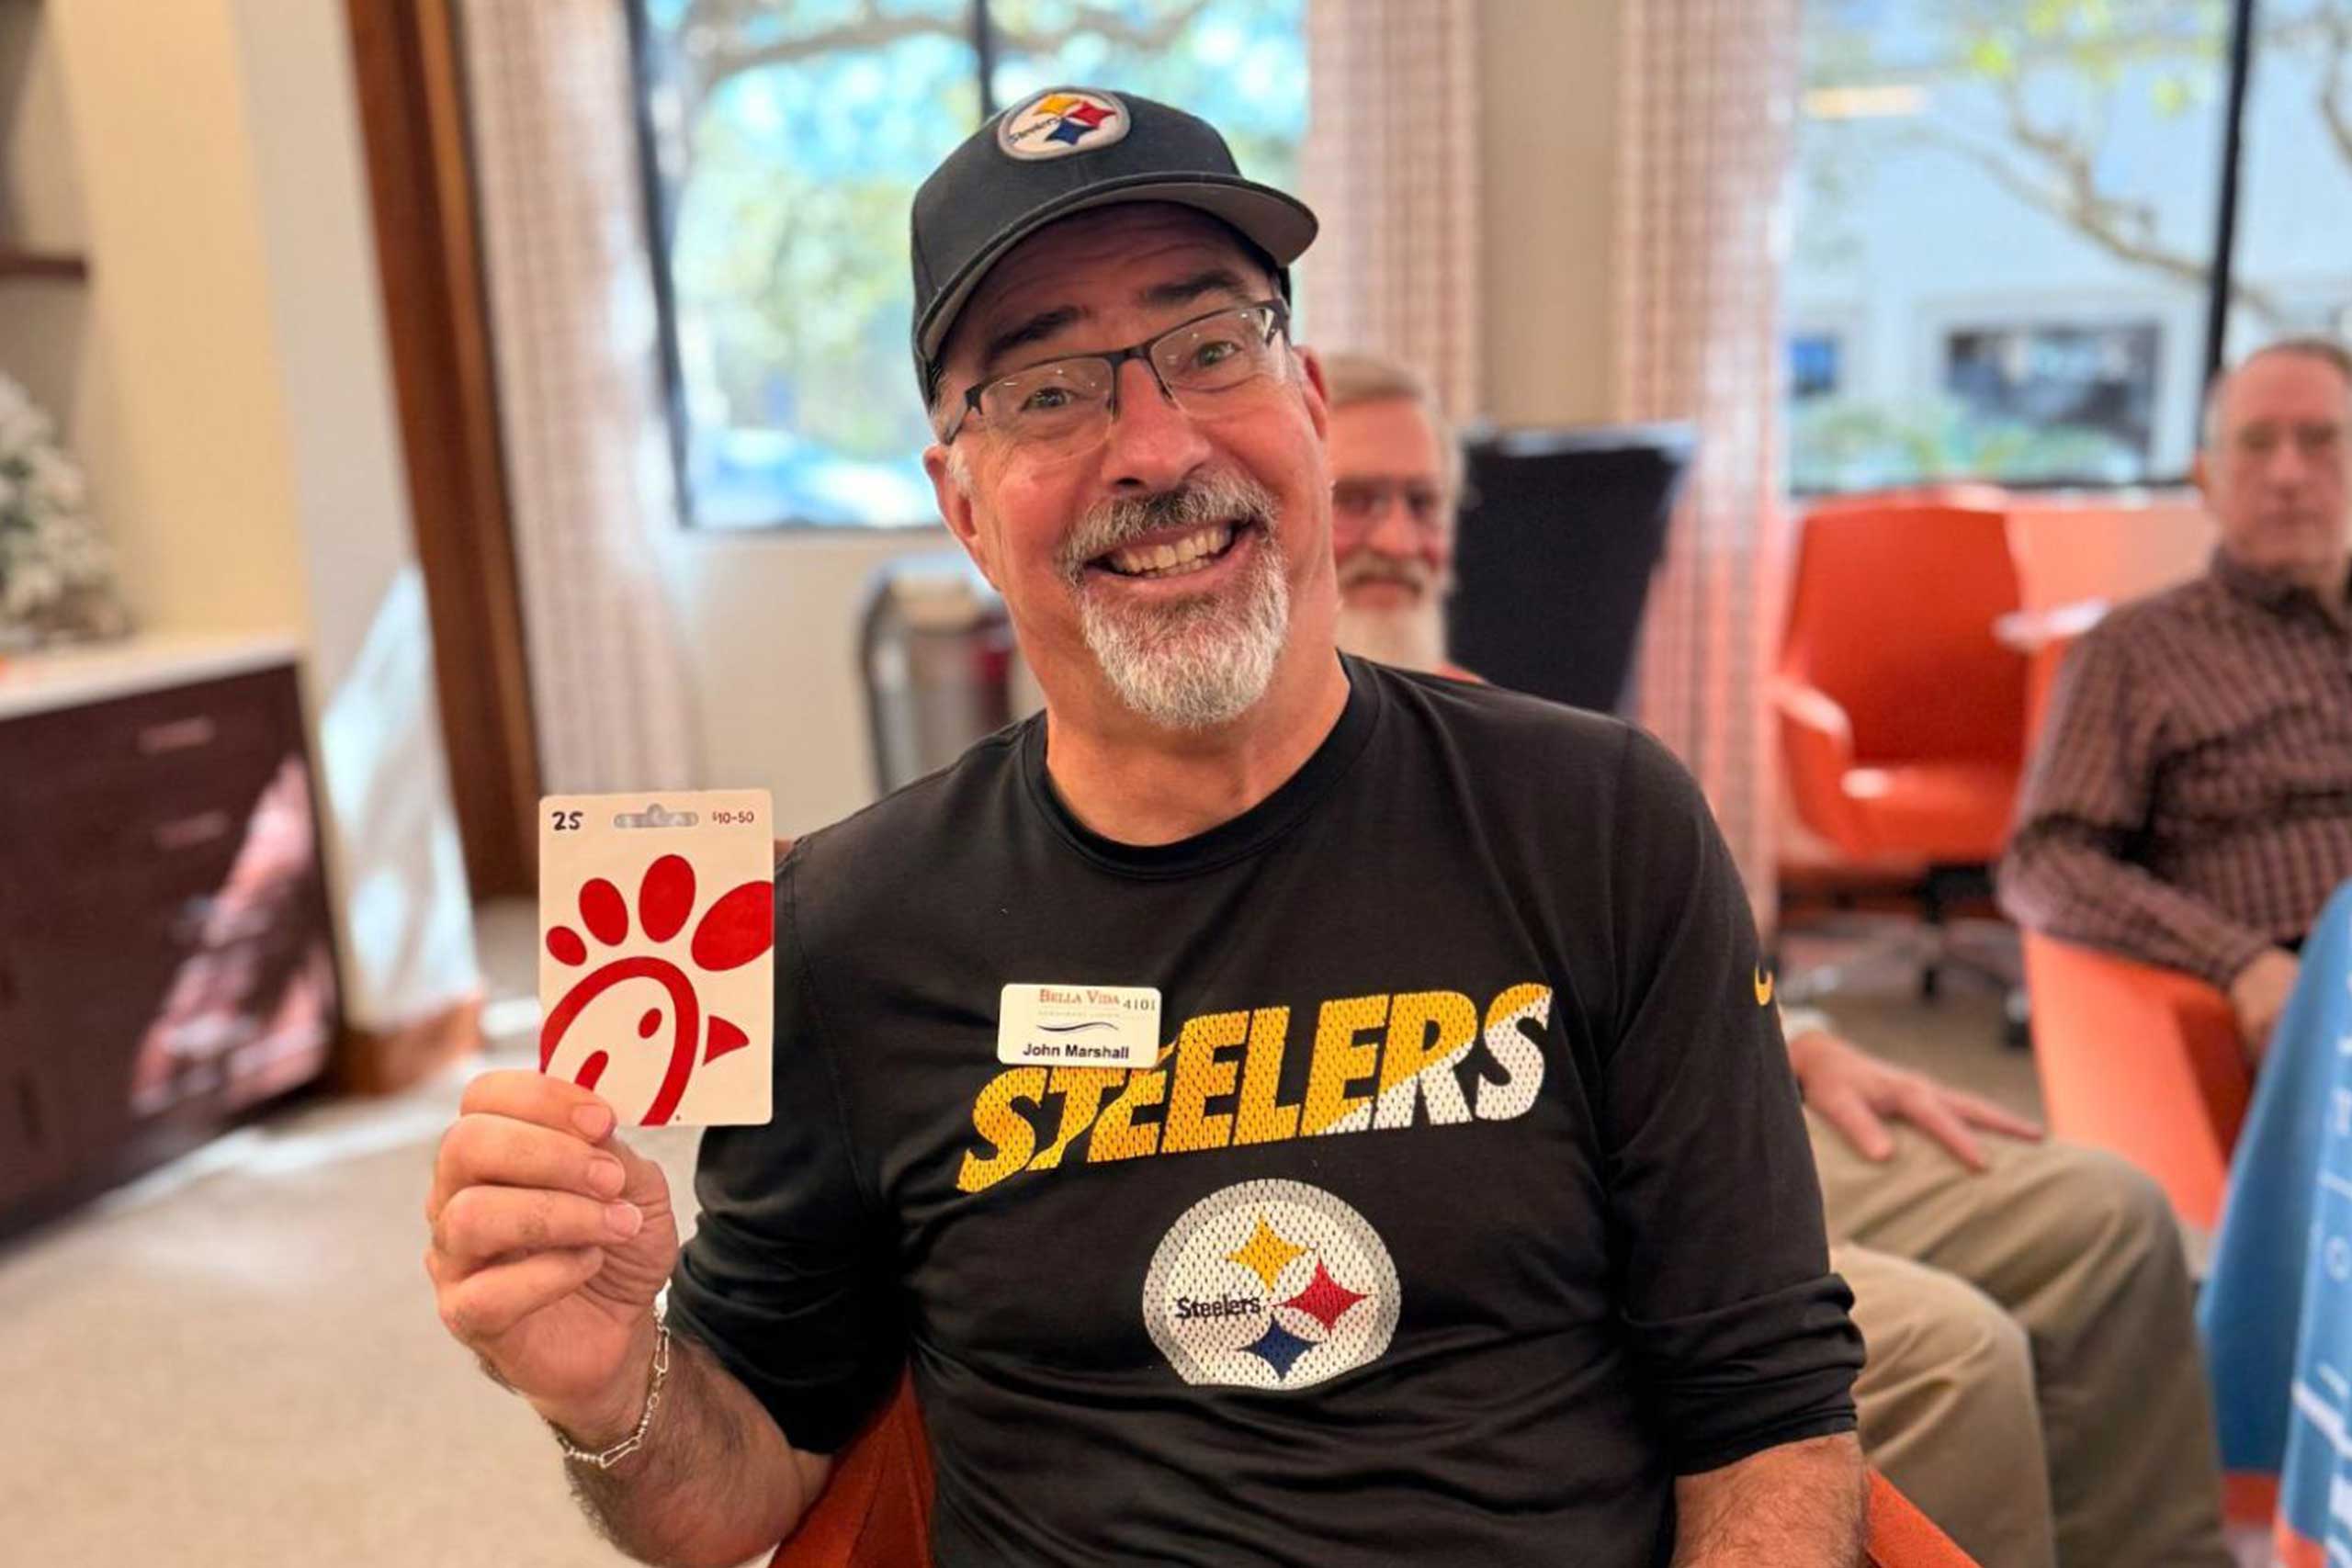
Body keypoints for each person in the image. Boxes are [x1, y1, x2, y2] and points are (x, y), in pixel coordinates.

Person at [425, 91, 1867, 1565]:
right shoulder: (844, 928)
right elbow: (742, 1486)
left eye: (1209, 346)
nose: (1155, 445)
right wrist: (607, 1388)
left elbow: (1769, 1416)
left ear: (1306, 399)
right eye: (1048, 389)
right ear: (964, 506)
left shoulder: (1604, 823)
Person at [1324, 348, 2233, 1568]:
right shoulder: (1266, 769)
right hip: (1559, 1160)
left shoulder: (1497, 729)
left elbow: (1644, 945)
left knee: (2111, 1219)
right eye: (1356, 497)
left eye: (1423, 502)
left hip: (1686, 1093)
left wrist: (1790, 1039)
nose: (1396, 536)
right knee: (1961, 1350)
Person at [2002, 338, 2352, 1059]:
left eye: (2320, 440)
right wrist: (2239, 961)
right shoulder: (2136, 650)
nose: (2288, 474)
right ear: (2206, 481)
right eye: (2256, 444)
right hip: (2308, 991)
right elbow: (2045, 863)